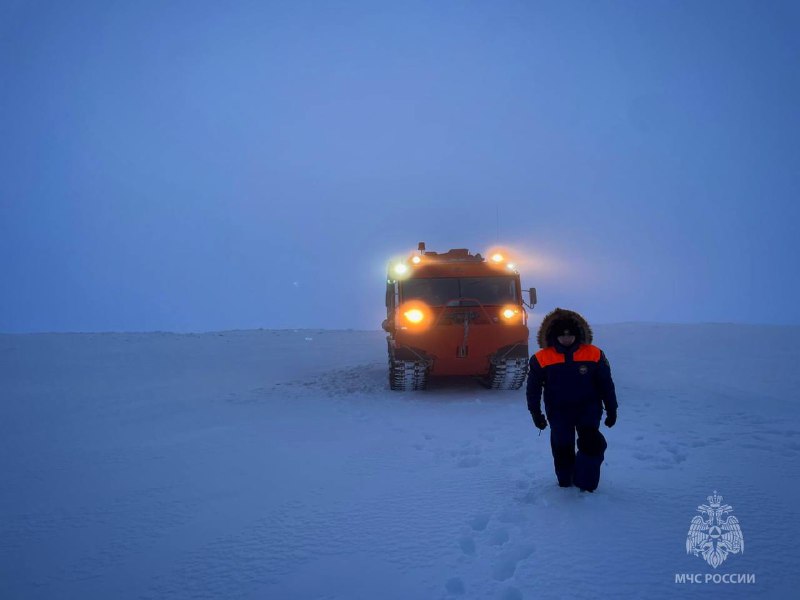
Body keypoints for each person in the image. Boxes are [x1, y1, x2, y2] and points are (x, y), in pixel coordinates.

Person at [526, 308, 618, 492]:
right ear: (554, 336)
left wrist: (611, 409)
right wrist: (536, 413)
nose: (566, 339)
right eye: (562, 335)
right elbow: (533, 388)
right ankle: (565, 480)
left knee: (592, 445)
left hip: (588, 409)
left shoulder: (594, 354)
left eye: (570, 335)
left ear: (577, 334)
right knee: (562, 447)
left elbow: (606, 383)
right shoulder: (541, 358)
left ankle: (585, 482)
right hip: (559, 411)